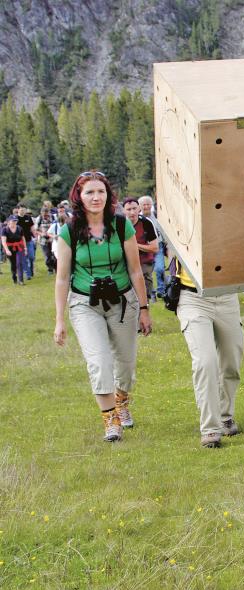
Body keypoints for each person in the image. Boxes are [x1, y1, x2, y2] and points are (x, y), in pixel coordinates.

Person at [53, 171, 153, 442]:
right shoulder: (68, 231)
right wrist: (60, 320)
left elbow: (135, 271)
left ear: (108, 195)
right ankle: (110, 420)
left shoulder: (122, 226)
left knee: (126, 364)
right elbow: (62, 278)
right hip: (85, 304)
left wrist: (144, 309)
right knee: (99, 362)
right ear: (79, 197)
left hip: (122, 302)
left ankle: (122, 400)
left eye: (100, 191)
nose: (96, 197)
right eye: (89, 192)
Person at [172, 256, 244, 447]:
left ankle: (225, 416)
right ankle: (210, 428)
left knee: (232, 361)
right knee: (206, 362)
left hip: (227, 295)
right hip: (192, 298)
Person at [123, 198, 159, 301]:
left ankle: (145, 306)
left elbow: (155, 248)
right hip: (125, 263)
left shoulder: (146, 223)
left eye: (134, 208)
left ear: (139, 208)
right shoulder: (120, 224)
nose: (132, 212)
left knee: (142, 297)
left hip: (144, 262)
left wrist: (134, 245)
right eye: (129, 209)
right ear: (124, 211)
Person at [138, 196, 166, 298]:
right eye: (143, 204)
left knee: (159, 269)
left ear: (151, 205)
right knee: (146, 273)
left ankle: (161, 290)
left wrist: (166, 243)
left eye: (148, 204)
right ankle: (151, 292)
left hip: (159, 247)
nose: (146, 206)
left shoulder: (158, 216)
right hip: (144, 249)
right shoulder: (138, 219)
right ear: (140, 206)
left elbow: (163, 231)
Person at [2, 215, 28, 285]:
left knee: (19, 263)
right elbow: (3, 241)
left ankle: (21, 280)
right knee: (13, 264)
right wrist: (7, 250)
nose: (14, 222)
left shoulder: (19, 228)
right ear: (9, 221)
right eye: (13, 221)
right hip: (10, 248)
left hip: (19, 247)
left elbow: (23, 238)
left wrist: (25, 248)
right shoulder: (5, 229)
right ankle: (14, 276)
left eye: (15, 221)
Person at [16, 205, 36, 280]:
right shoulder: (15, 219)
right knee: (23, 258)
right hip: (19, 242)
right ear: (18, 210)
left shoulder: (28, 217)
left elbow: (32, 228)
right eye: (21, 210)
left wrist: (35, 237)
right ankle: (28, 274)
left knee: (31, 257)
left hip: (29, 240)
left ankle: (31, 270)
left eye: (24, 210)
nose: (23, 211)